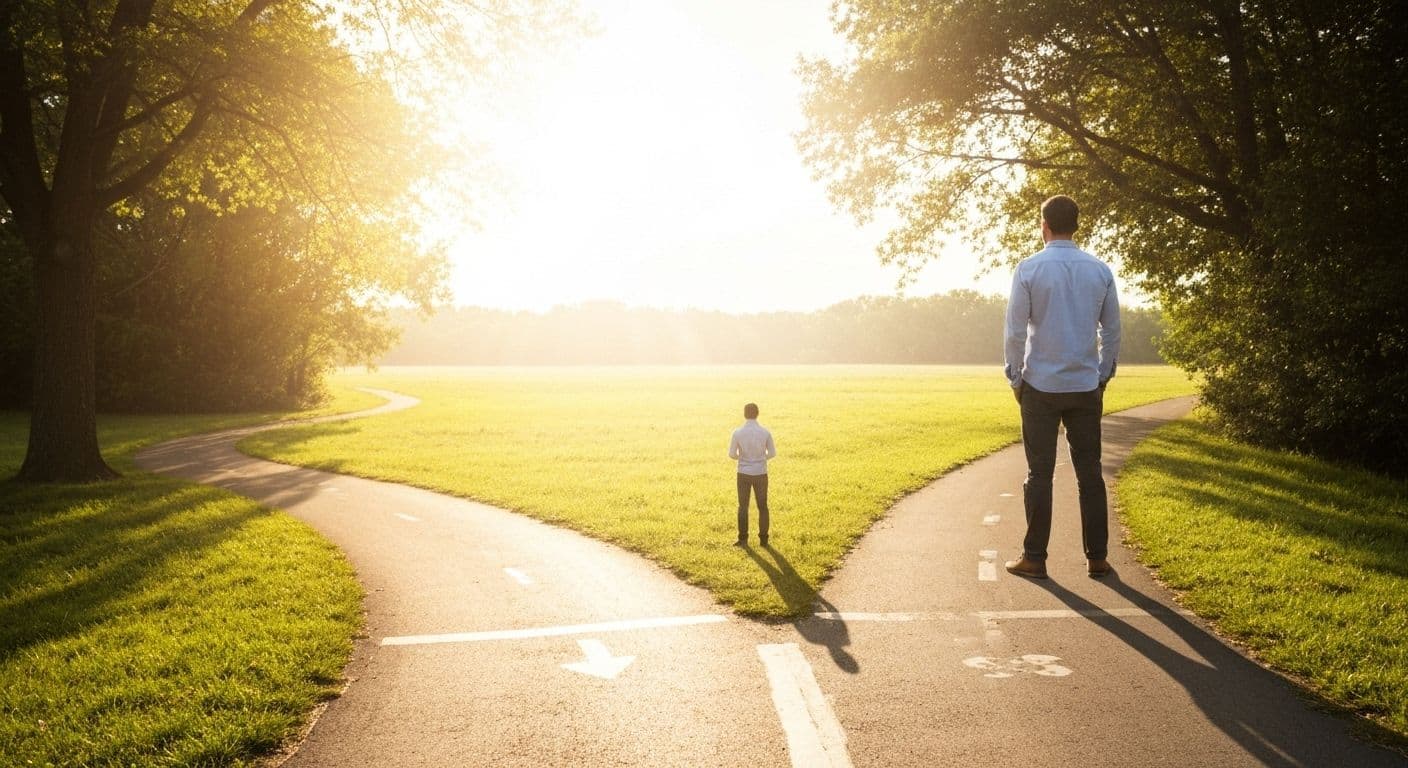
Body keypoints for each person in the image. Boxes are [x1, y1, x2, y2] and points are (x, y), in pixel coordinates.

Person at [1003, 195, 1121, 579]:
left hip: (1040, 384)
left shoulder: (1029, 269)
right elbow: (1112, 331)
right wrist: (1103, 374)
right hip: (1086, 385)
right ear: (1077, 225)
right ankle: (1098, 558)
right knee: (1090, 473)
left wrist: (1015, 377)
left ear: (1044, 225)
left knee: (1040, 474)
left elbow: (1015, 332)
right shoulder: (1100, 270)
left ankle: (1034, 558)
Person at [729, 402, 776, 547]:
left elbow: (732, 454)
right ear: (757, 413)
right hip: (761, 473)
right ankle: (763, 540)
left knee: (743, 506)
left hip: (743, 473)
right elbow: (772, 453)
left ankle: (743, 539)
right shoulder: (765, 432)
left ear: (745, 414)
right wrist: (761, 458)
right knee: (763, 506)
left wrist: (742, 458)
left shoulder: (737, 432)